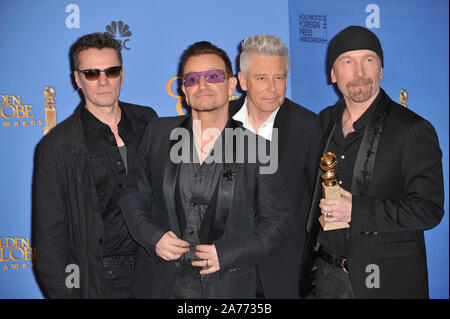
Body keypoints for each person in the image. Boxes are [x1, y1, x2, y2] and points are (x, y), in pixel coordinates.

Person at [119, 41, 292, 299]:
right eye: (192, 79)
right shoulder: (158, 134)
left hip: (227, 286)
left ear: (231, 85)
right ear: (184, 90)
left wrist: (228, 253)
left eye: (213, 76)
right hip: (159, 285)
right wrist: (154, 238)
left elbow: (278, 221)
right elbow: (132, 196)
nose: (203, 85)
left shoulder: (258, 148)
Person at [299, 26, 444, 299]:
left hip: (386, 282)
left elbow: (429, 210)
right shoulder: (323, 122)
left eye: (368, 60)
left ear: (381, 69)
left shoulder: (412, 129)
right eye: (347, 61)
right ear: (333, 74)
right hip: (324, 277)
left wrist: (356, 210)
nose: (359, 72)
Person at [33, 32, 157, 298]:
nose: (103, 81)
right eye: (91, 73)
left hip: (155, 271)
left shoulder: (148, 121)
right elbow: (50, 239)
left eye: (111, 71)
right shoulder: (56, 147)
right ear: (77, 79)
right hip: (101, 280)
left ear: (122, 74)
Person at [229, 34, 321, 298]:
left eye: (279, 77)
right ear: (243, 81)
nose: (272, 88)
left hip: (285, 273)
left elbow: (316, 202)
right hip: (228, 271)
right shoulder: (218, 120)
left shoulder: (308, 126)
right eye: (261, 78)